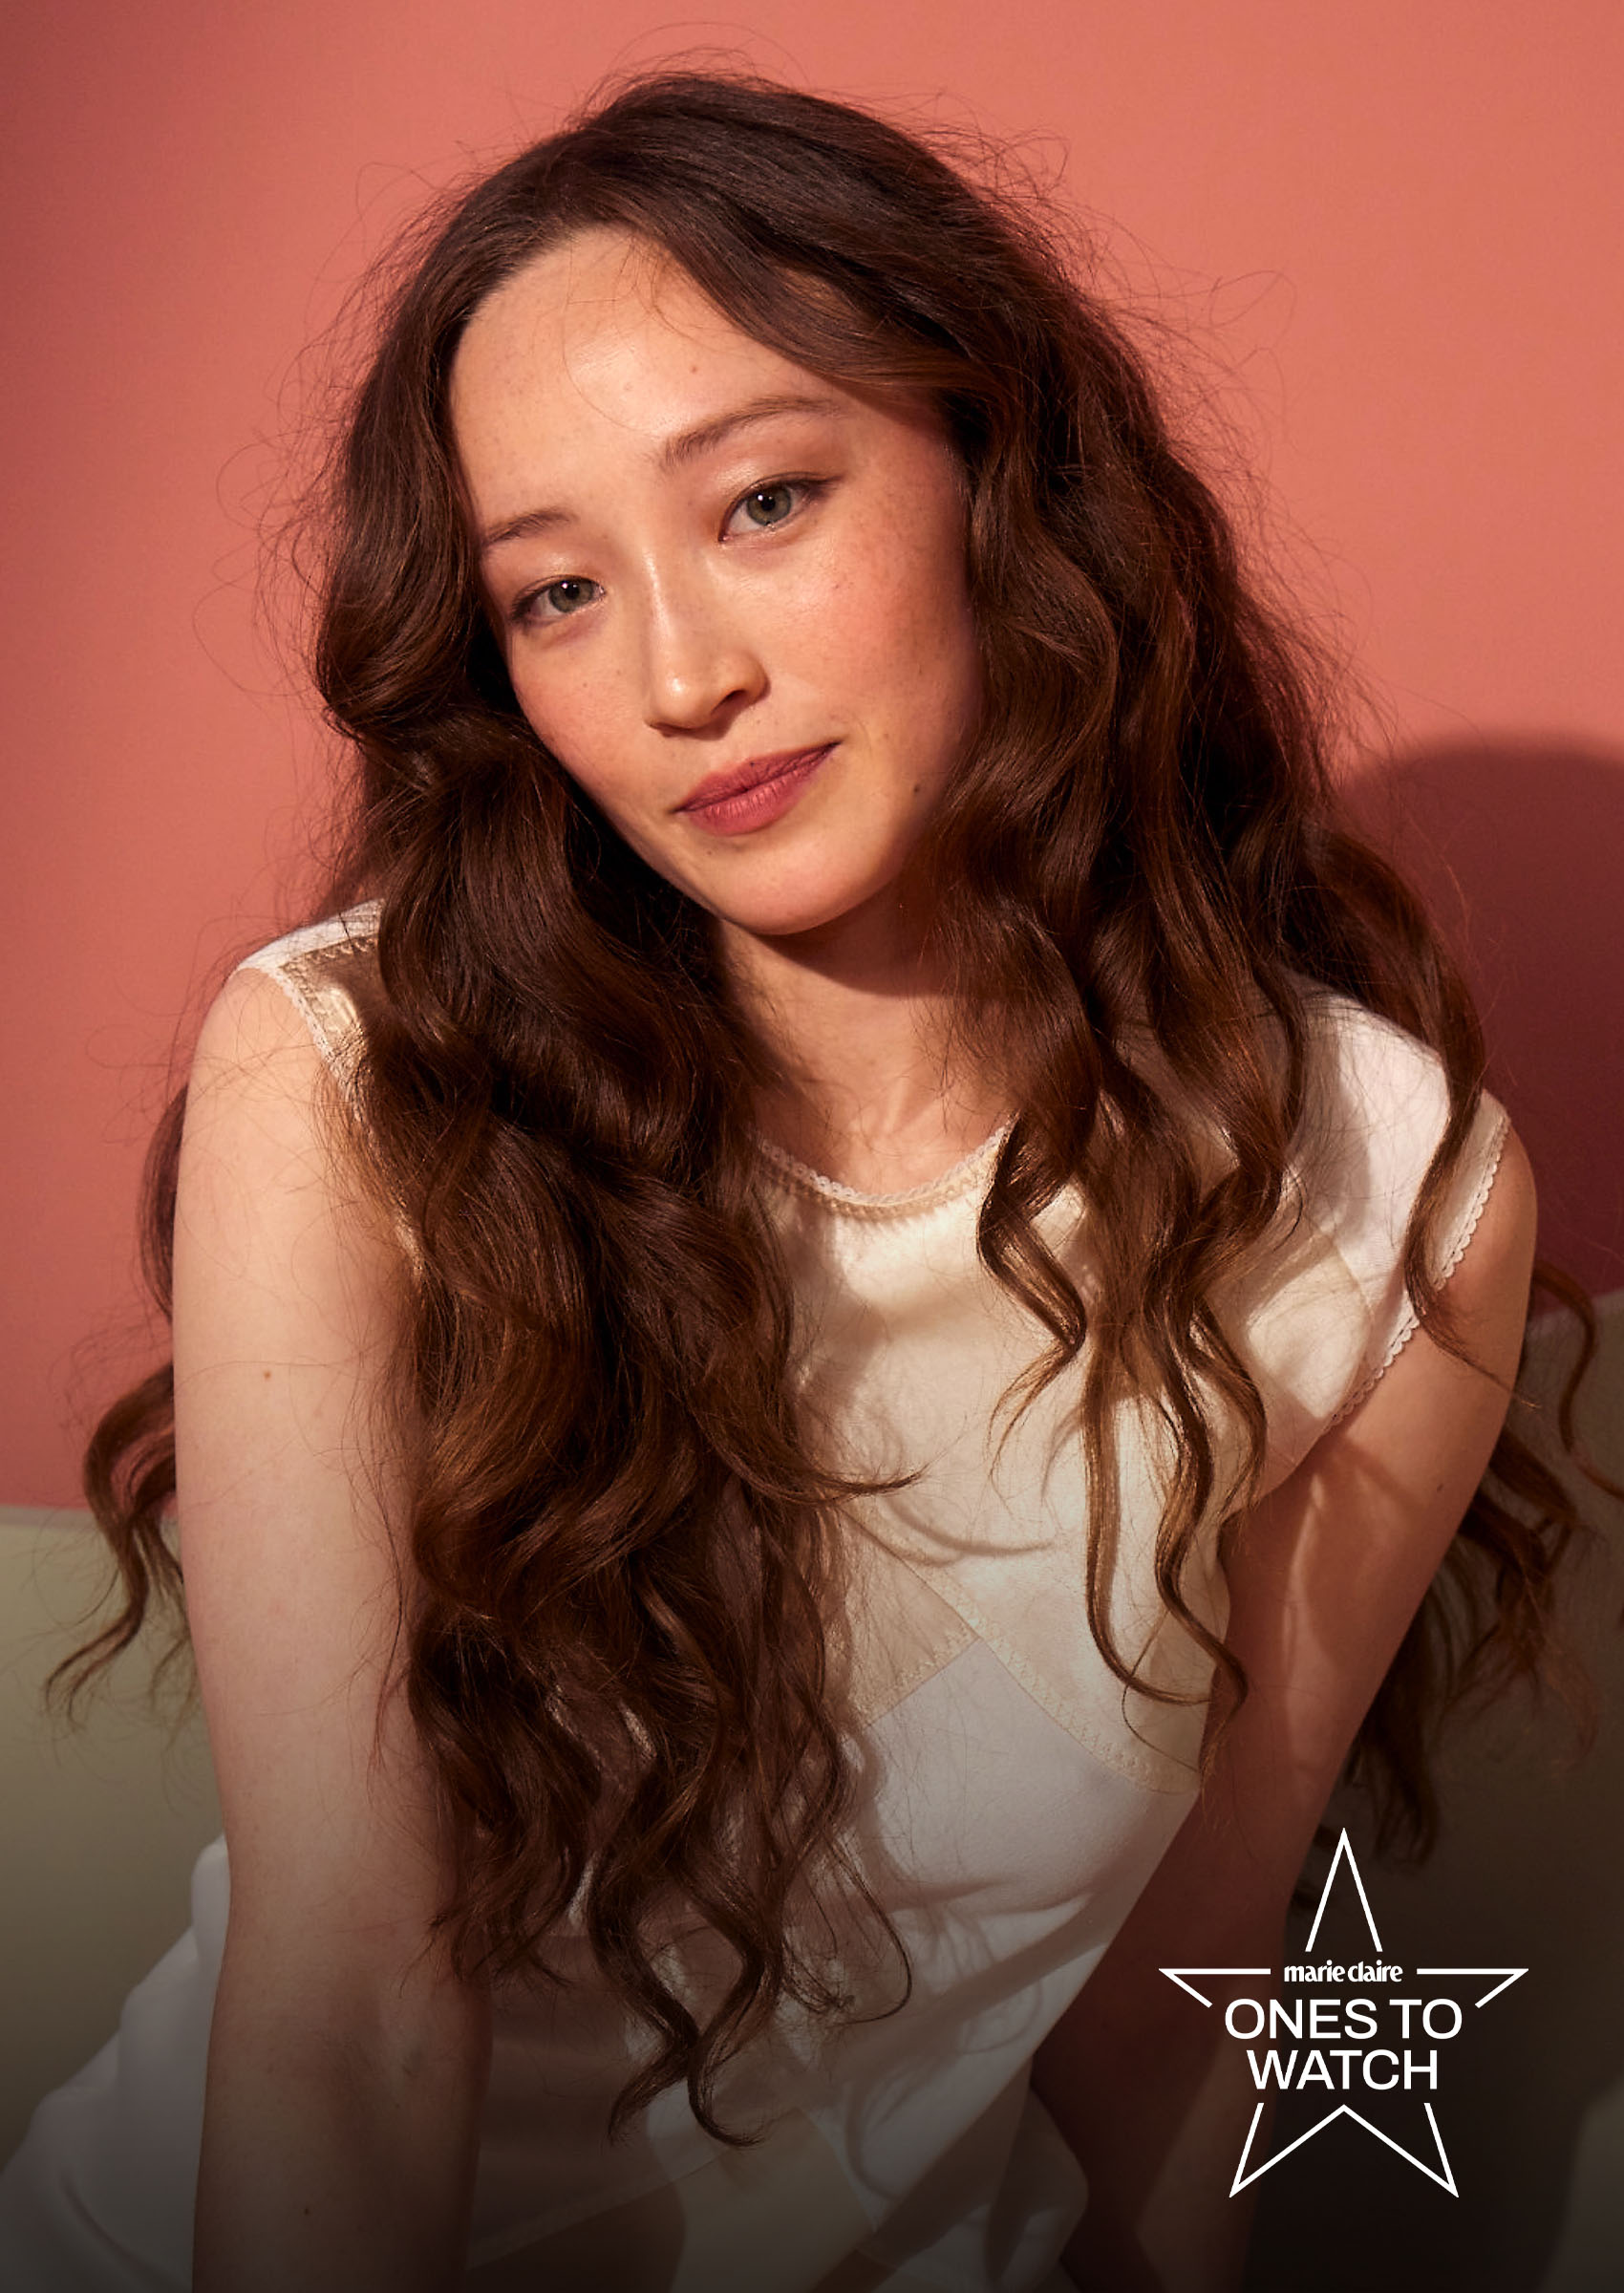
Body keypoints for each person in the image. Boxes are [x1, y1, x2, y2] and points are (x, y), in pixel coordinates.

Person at [0, 68, 1577, 2293]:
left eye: (760, 502)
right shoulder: (358, 1082)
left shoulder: (1385, 1205)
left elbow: (1171, 2020)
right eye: (554, 592)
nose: (681, 676)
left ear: (995, 473)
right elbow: (354, 2015)